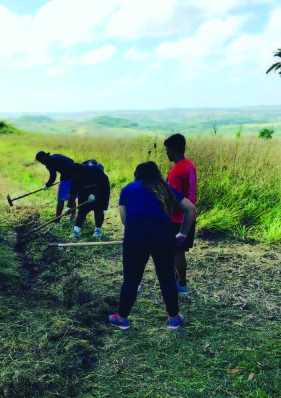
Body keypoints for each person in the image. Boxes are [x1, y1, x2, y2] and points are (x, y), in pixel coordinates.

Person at [108, 161, 196, 330]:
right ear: (157, 174)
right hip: (164, 236)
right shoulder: (165, 188)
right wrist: (182, 234)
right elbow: (190, 209)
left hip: (135, 236)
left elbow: (125, 220)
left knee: (131, 279)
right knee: (166, 276)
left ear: (137, 174)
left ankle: (121, 318)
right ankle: (174, 319)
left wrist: (138, 233)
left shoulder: (128, 189)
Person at [165, 134, 197, 294]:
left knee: (175, 252)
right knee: (180, 251)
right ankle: (179, 281)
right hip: (189, 217)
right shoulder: (190, 165)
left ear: (173, 149)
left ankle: (181, 284)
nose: (166, 152)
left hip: (177, 219)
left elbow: (173, 199)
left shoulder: (176, 172)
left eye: (167, 149)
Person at [66, 160, 110, 239]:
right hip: (84, 191)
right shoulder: (75, 178)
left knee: (98, 209)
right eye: (75, 175)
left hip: (101, 189)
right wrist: (69, 207)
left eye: (79, 174)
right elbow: (72, 194)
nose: (78, 176)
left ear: (82, 170)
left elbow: (102, 184)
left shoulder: (95, 170)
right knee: (82, 210)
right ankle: (76, 232)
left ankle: (98, 230)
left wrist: (94, 194)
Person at [36, 151, 76, 221]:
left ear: (44, 157)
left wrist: (47, 185)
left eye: (41, 161)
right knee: (71, 197)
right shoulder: (55, 156)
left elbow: (53, 176)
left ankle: (57, 219)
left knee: (60, 199)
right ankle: (73, 217)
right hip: (75, 175)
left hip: (67, 177)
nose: (41, 163)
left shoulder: (49, 162)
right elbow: (71, 160)